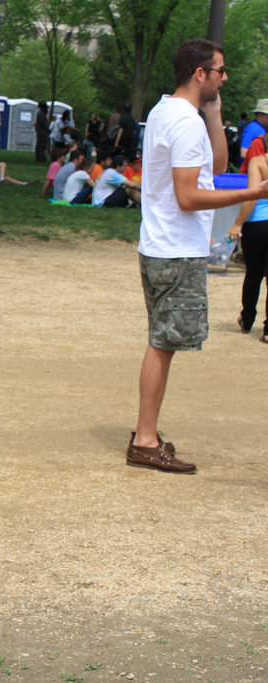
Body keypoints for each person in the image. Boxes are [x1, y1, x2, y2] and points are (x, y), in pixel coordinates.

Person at [129, 38, 268, 473]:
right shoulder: (183, 122)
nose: (225, 77)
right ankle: (146, 440)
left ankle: (145, 432)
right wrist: (257, 191)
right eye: (220, 70)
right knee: (163, 344)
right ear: (199, 73)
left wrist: (214, 113)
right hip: (176, 250)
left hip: (159, 245)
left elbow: (218, 165)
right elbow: (189, 196)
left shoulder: (168, 111)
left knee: (161, 341)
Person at [227, 136, 268, 342]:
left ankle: (247, 318)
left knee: (253, 274)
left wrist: (238, 223)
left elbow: (252, 195)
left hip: (258, 223)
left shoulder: (259, 162)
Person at [239, 99, 267, 170]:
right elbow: (243, 153)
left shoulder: (262, 128)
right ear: (258, 114)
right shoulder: (253, 129)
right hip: (251, 174)